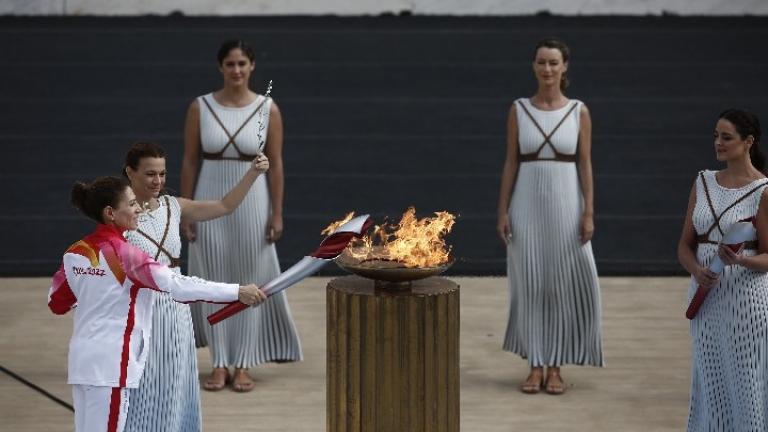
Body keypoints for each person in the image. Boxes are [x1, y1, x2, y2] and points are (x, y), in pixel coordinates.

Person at [47, 176, 266, 432]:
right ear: (110, 213)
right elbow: (178, 285)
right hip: (113, 367)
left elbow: (56, 303)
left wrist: (98, 294)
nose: (138, 208)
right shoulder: (126, 255)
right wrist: (236, 291)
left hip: (82, 363)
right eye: (130, 204)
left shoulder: (76, 252)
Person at [181, 39, 302, 392]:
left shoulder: (268, 108)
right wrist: (186, 209)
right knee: (212, 278)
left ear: (252, 67)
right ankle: (219, 362)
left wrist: (276, 212)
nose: (236, 70)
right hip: (208, 197)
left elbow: (276, 163)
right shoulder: (199, 107)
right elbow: (190, 160)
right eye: (230, 64)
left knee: (251, 277)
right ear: (221, 67)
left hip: (254, 201)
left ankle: (244, 362)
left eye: (242, 64)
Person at [121, 141, 269, 430]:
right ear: (130, 172)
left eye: (162, 174)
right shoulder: (119, 214)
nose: (158, 181)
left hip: (176, 311)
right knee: (145, 386)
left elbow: (226, 205)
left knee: (177, 384)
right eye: (150, 174)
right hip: (140, 312)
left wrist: (251, 173)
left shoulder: (174, 206)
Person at [496, 37, 603, 395]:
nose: (547, 70)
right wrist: (503, 210)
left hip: (566, 203)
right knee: (530, 283)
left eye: (553, 63)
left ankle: (556, 366)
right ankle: (535, 364)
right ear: (533, 65)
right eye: (541, 62)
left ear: (565, 67)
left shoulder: (578, 112)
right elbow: (511, 161)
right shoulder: (518, 109)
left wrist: (588, 211)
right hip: (526, 202)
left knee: (561, 283)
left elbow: (585, 164)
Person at [678, 109, 768, 431]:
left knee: (746, 385)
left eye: (726, 137)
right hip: (706, 298)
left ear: (748, 142)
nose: (718, 143)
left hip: (747, 301)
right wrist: (696, 270)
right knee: (709, 384)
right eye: (715, 136)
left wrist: (740, 260)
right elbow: (684, 246)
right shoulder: (702, 181)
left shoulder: (763, 190)